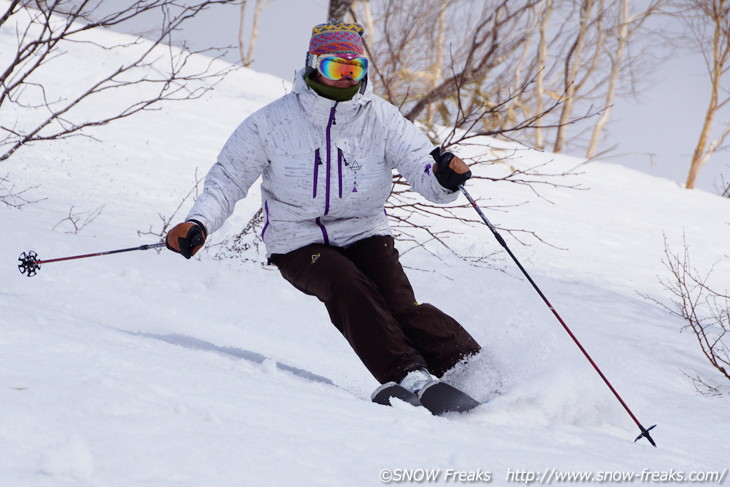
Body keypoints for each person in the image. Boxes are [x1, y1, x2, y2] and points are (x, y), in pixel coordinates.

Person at [166, 20, 481, 397]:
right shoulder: (271, 123)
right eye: (337, 68)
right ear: (314, 65)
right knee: (346, 285)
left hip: (365, 230)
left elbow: (422, 166)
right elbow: (228, 180)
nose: (347, 78)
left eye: (355, 69)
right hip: (297, 240)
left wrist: (444, 178)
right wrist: (198, 222)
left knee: (401, 305)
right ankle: (409, 375)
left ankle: (473, 369)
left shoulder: (380, 118)